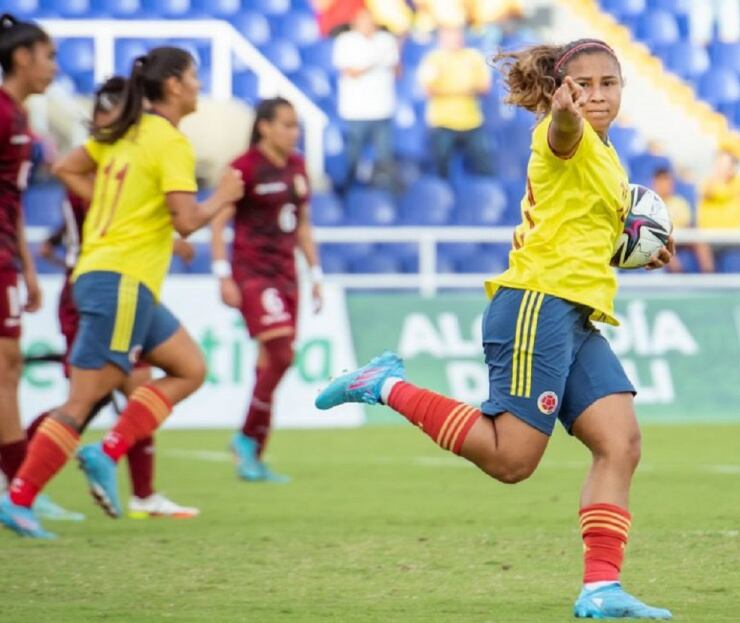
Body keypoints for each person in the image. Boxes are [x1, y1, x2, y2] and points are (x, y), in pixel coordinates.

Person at [316, 39, 674, 620]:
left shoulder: (608, 156)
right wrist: (562, 111)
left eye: (609, 83)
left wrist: (630, 246)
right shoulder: (564, 133)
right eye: (584, 84)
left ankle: (600, 590)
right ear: (565, 89)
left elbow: (573, 230)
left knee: (621, 443)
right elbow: (561, 132)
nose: (598, 95)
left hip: (574, 310)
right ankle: (380, 384)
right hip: (538, 304)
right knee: (512, 460)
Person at [0, 46, 244, 539]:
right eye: (194, 77)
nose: (199, 86)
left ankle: (107, 451)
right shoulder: (171, 142)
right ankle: (19, 497)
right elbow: (188, 220)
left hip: (112, 276)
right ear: (173, 84)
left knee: (189, 368)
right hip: (122, 281)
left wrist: (121, 209)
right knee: (81, 402)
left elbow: (69, 168)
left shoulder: (123, 129)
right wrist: (223, 196)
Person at [27, 77, 200, 520]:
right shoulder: (118, 155)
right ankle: (20, 487)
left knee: (179, 370)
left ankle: (132, 483)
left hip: (120, 283)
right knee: (88, 399)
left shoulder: (119, 159)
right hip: (111, 281)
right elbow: (175, 219)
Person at [211, 97, 322, 484]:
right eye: (287, 125)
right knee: (281, 352)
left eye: (296, 126)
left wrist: (317, 273)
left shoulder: (297, 166)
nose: (294, 132)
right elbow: (219, 221)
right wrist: (222, 274)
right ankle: (246, 440)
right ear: (265, 127)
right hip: (253, 274)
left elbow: (303, 225)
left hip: (287, 273)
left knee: (271, 361)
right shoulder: (243, 169)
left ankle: (251, 451)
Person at [0, 14, 52, 512]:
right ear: (22, 57)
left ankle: (16, 489)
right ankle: (18, 491)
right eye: (48, 56)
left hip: (6, 259)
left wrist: (27, 267)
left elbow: (10, 204)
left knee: (9, 366)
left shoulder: (19, 118)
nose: (54, 67)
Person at [333, 9, 399, 192]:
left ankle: (389, 195)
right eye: (363, 21)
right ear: (355, 23)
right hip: (357, 111)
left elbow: (396, 69)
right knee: (353, 156)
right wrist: (376, 58)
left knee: (385, 157)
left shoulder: (386, 40)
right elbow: (351, 72)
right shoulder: (346, 41)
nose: (368, 25)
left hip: (383, 109)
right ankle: (346, 193)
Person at [417, 26, 495, 178]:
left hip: (472, 122)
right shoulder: (433, 59)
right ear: (442, 39)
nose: (455, 40)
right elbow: (428, 90)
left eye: (457, 36)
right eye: (450, 36)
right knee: (440, 168)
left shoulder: (474, 57)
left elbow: (485, 87)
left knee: (484, 166)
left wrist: (447, 89)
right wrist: (462, 90)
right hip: (443, 122)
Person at [653, 167, 705, 274]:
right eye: (662, 181)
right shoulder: (651, 204)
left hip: (681, 238)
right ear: (656, 183)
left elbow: (688, 225)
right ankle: (678, 274)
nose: (665, 185)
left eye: (668, 181)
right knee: (662, 246)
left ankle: (709, 275)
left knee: (700, 242)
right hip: (661, 240)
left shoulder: (680, 203)